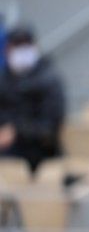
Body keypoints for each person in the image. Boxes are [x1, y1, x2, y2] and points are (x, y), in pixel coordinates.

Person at [0, 27, 65, 171]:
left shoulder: (49, 80)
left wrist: (16, 132)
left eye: (25, 46)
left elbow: (49, 129)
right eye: (17, 46)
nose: (21, 51)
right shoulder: (4, 80)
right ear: (7, 50)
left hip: (39, 151)